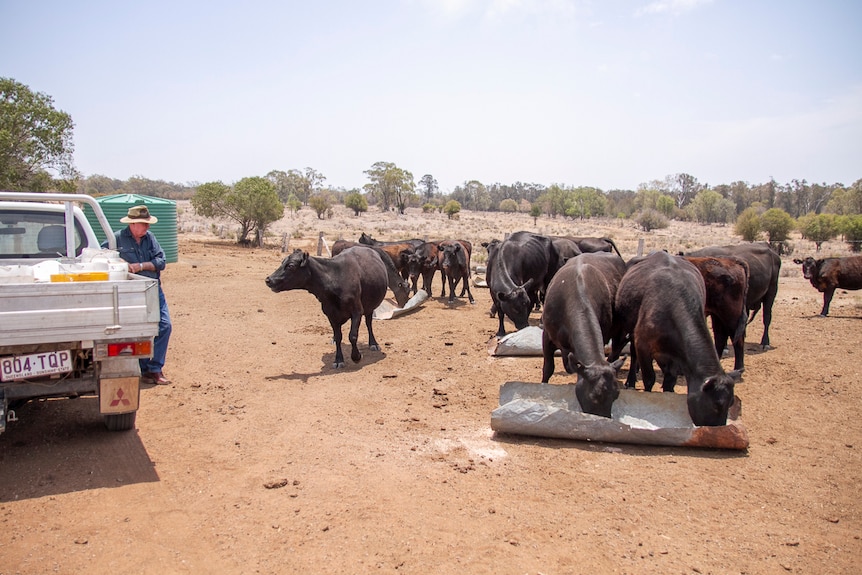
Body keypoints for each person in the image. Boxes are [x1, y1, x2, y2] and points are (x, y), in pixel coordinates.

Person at [103, 205, 173, 385]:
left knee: (164, 325)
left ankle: (155, 368)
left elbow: (161, 261)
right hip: (130, 292)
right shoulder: (117, 238)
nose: (147, 227)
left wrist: (141, 266)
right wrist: (121, 262)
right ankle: (143, 369)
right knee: (139, 329)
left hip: (152, 288)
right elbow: (102, 255)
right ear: (133, 224)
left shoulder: (150, 238)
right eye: (144, 224)